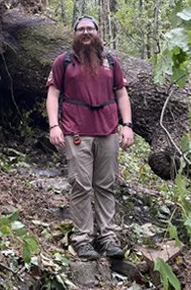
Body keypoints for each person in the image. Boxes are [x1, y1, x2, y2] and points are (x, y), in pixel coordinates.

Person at [46, 15, 134, 261]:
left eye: (90, 29)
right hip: (76, 132)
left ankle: (107, 237)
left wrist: (127, 126)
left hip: (108, 132)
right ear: (74, 34)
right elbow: (53, 95)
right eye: (81, 29)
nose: (85, 33)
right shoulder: (64, 62)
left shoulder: (111, 62)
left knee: (105, 185)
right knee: (81, 185)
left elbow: (122, 94)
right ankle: (83, 239)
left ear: (97, 32)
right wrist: (54, 125)